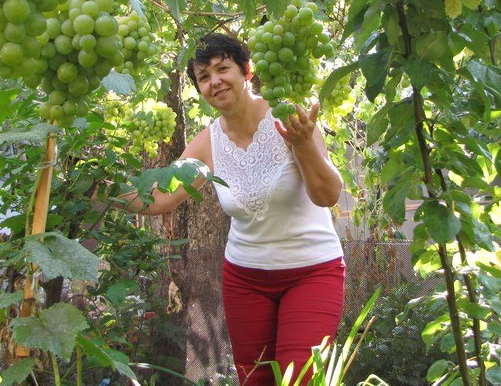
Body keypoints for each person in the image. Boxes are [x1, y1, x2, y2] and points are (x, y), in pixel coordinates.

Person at [127, 33, 345, 386]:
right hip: (245, 280)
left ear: (246, 71)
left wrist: (303, 144)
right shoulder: (207, 142)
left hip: (312, 272)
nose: (214, 81)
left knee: (297, 380)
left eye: (222, 68)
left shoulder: (288, 117)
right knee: (255, 380)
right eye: (203, 77)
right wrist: (101, 187)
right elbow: (160, 196)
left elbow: (327, 195)